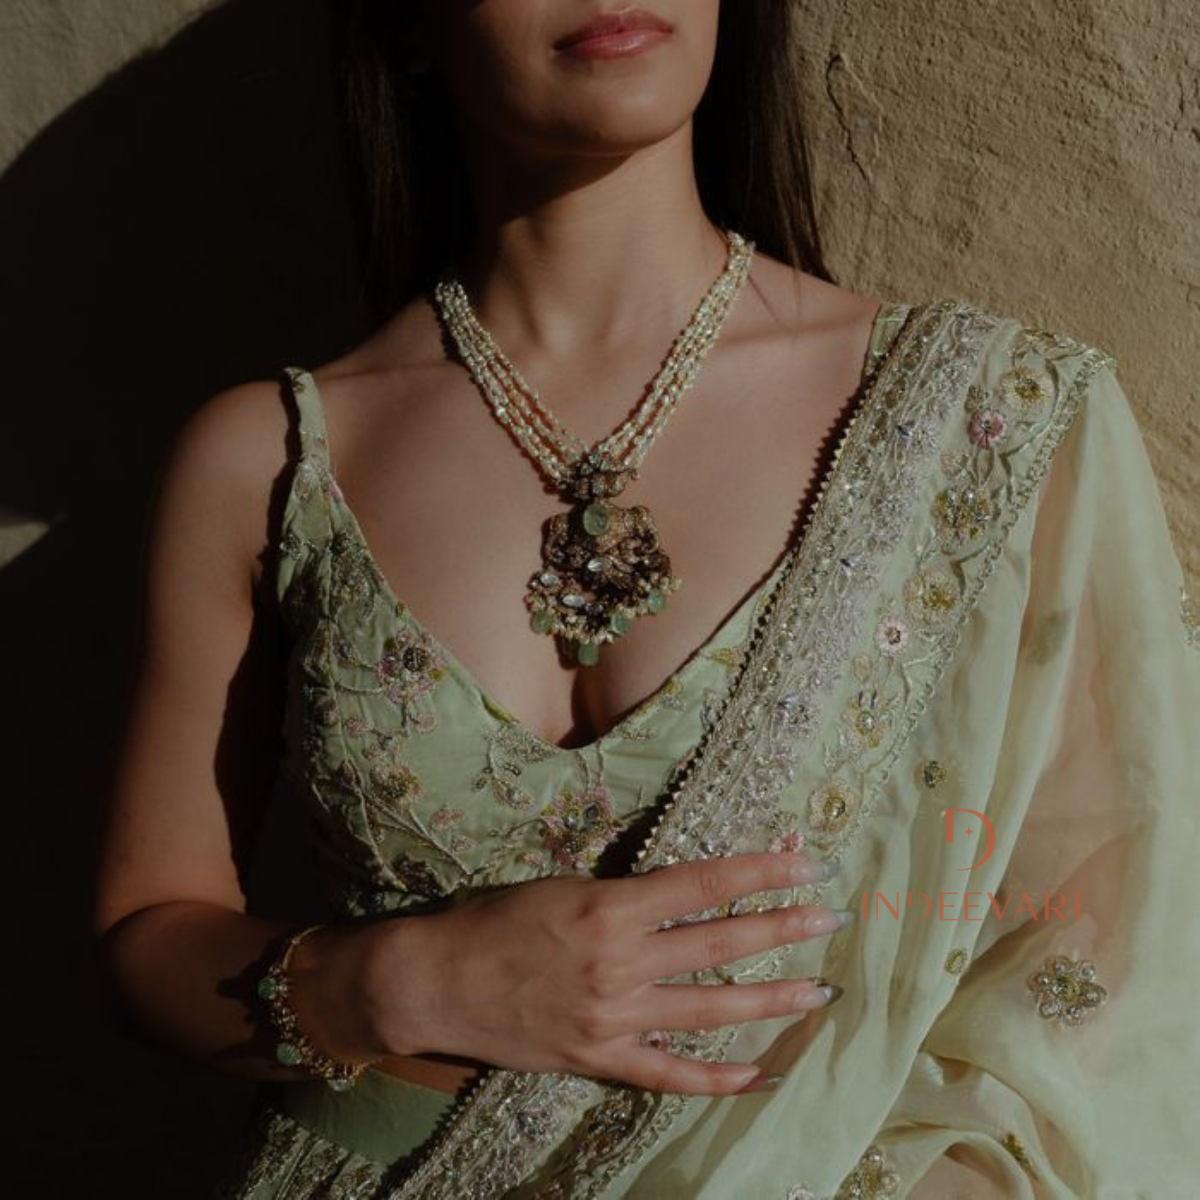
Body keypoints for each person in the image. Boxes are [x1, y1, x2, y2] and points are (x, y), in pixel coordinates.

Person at [94, 2, 1200, 1197]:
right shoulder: (269, 459)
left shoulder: (984, 419)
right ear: (411, 25)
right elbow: (151, 932)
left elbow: (1106, 963)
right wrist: (393, 984)